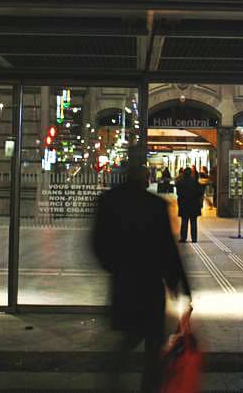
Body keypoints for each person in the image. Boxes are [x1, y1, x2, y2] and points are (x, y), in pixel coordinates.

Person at [92, 162, 191, 392]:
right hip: (150, 286)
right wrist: (179, 284)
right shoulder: (155, 205)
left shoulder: (108, 202)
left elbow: (97, 244)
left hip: (124, 283)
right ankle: (149, 386)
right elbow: (168, 249)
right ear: (143, 177)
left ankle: (112, 377)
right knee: (152, 343)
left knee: (130, 336)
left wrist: (115, 267)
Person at [176, 167, 205, 243]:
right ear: (191, 173)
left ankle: (183, 238)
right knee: (194, 222)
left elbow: (178, 193)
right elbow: (200, 192)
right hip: (194, 205)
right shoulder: (195, 182)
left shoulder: (180, 182)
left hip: (184, 205)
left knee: (184, 222)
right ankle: (194, 238)